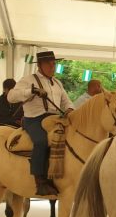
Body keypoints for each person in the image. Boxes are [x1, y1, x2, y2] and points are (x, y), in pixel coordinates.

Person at [7, 51, 74, 196]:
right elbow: (11, 97)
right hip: (34, 119)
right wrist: (32, 91)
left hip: (54, 118)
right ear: (40, 65)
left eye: (54, 63)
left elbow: (66, 101)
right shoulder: (28, 79)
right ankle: (40, 182)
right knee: (41, 141)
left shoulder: (57, 82)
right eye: (48, 64)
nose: (52, 66)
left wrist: (69, 109)